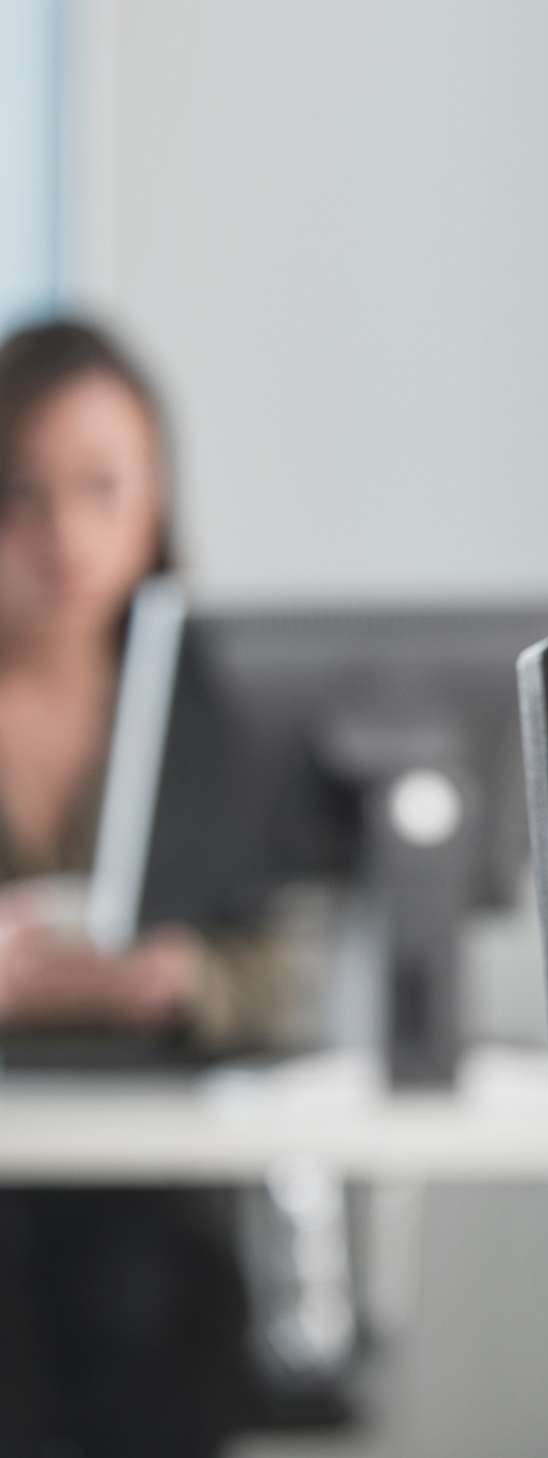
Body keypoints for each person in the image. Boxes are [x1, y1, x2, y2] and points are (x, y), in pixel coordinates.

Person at [0, 319, 296, 1457]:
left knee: (151, 1303)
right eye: (25, 493)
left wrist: (181, 977)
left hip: (151, 1210)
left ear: (156, 501)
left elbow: (288, 960)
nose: (66, 534)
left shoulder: (203, 710)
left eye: (102, 489)